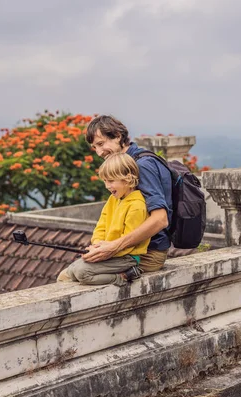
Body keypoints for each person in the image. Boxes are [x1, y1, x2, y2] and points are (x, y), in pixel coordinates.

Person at [81, 115, 173, 273]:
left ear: (117, 136)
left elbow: (160, 219)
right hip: (131, 250)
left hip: (146, 253)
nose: (99, 152)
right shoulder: (127, 162)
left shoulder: (140, 166)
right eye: (95, 147)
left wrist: (114, 246)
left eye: (101, 144)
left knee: (76, 274)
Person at [56, 152, 150, 286]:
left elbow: (129, 241)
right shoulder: (114, 199)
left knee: (82, 273)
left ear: (127, 179)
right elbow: (102, 224)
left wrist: (104, 251)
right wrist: (97, 244)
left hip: (126, 257)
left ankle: (122, 277)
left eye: (111, 181)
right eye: (105, 181)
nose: (107, 186)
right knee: (68, 273)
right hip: (108, 253)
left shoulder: (137, 205)